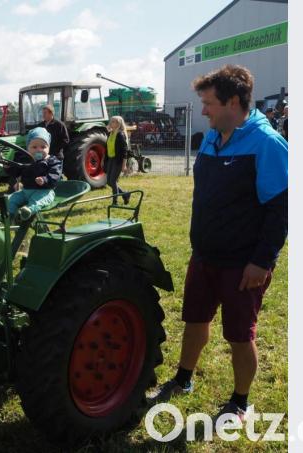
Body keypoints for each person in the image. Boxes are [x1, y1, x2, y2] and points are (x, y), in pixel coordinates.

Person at [148, 65, 288, 423]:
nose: (204, 110)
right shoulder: (212, 137)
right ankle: (183, 380)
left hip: (243, 264)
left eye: (209, 103)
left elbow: (281, 209)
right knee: (194, 320)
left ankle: (241, 401)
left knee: (240, 336)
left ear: (234, 102)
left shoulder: (267, 144)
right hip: (205, 255)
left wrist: (262, 261)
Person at [4, 127, 62, 221]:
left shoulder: (52, 161)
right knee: (12, 199)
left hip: (44, 191)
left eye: (43, 147)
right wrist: (8, 168)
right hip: (25, 191)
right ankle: (10, 215)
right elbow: (16, 171)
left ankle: (27, 211)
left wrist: (45, 180)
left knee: (37, 201)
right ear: (28, 148)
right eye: (34, 147)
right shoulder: (25, 159)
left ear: (48, 147)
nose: (39, 150)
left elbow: (55, 175)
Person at [103, 115, 130, 205]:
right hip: (110, 160)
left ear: (118, 124)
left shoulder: (120, 135)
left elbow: (125, 151)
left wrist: (124, 165)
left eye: (113, 121)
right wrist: (103, 160)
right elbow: (107, 148)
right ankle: (125, 194)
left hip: (117, 161)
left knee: (113, 181)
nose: (111, 123)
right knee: (109, 182)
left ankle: (115, 202)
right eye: (111, 121)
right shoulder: (110, 134)